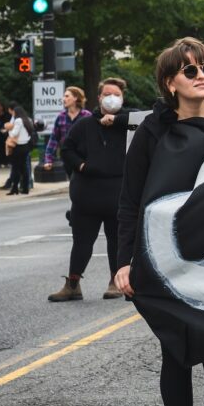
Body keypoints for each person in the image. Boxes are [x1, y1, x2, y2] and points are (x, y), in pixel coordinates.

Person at [113, 37, 204, 406]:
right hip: (166, 258)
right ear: (171, 82)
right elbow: (130, 201)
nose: (202, 75)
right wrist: (123, 261)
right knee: (176, 353)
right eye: (191, 70)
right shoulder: (151, 132)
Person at [47, 78, 133, 302]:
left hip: (118, 195)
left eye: (116, 94)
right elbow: (67, 149)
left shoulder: (130, 123)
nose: (111, 98)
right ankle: (73, 284)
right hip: (87, 196)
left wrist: (117, 120)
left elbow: (151, 121)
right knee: (82, 242)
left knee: (116, 241)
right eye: (107, 94)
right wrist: (81, 165)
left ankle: (115, 281)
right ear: (99, 97)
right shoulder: (85, 124)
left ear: (122, 97)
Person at [42, 86, 92, 173]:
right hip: (67, 158)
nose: (63, 99)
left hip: (84, 158)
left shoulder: (87, 116)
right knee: (73, 184)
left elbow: (94, 138)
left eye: (67, 96)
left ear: (75, 98)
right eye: (64, 96)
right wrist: (48, 159)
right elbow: (54, 139)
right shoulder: (61, 116)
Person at [5, 102, 36, 195]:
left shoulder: (18, 120)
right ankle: (25, 187)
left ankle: (15, 188)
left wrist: (9, 130)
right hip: (26, 146)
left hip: (18, 147)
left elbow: (14, 133)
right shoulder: (28, 120)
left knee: (16, 168)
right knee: (24, 168)